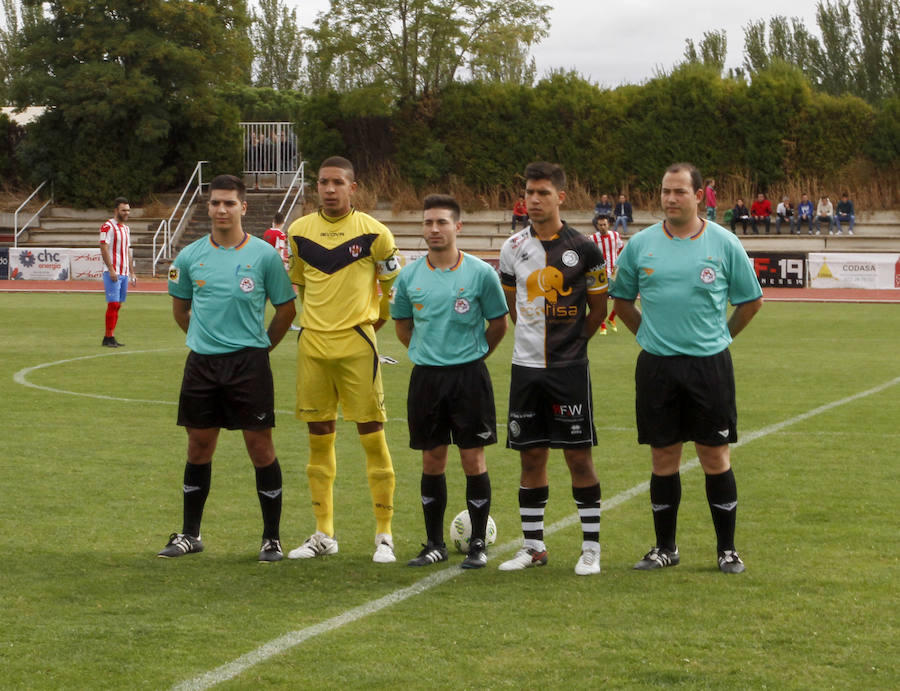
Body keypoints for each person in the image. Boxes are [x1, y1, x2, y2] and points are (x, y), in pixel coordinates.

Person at [610, 162, 763, 575]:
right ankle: (665, 548)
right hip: (657, 367)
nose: (671, 199)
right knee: (663, 458)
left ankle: (727, 549)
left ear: (699, 196)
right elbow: (621, 300)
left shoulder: (724, 243)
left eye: (679, 191)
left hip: (708, 367)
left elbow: (751, 301)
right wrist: (646, 336)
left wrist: (723, 338)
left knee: (715, 456)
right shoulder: (640, 245)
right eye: (665, 191)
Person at [158, 174, 297, 561]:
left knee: (260, 447)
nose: (222, 209)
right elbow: (181, 311)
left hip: (249, 365)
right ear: (209, 207)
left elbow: (287, 307)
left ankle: (271, 538)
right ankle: (190, 534)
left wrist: (263, 346)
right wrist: (207, 339)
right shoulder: (189, 256)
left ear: (243, 208)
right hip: (202, 365)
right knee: (199, 446)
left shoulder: (265, 256)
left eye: (229, 203)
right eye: (216, 203)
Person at [286, 156, 401, 564]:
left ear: (353, 187)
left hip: (357, 343)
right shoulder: (298, 232)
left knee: (372, 433)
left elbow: (393, 290)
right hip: (313, 345)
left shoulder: (375, 233)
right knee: (319, 435)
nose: (329, 189)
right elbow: (298, 285)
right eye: (323, 182)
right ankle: (323, 533)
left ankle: (384, 534)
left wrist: (368, 327)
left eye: (337, 183)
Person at [497, 162, 608, 576]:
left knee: (579, 458)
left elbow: (598, 308)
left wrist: (575, 343)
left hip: (569, 369)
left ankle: (591, 549)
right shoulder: (512, 248)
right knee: (531, 458)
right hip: (525, 369)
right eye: (529, 193)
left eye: (543, 193)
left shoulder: (586, 247)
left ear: (561, 197)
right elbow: (512, 305)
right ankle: (533, 547)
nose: (535, 200)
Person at [391, 194, 508, 569]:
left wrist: (471, 357)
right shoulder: (409, 276)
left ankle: (477, 544)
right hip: (426, 378)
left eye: (441, 222)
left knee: (473, 459)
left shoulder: (480, 273)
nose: (434, 229)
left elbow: (498, 324)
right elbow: (403, 327)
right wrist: (431, 354)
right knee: (432, 459)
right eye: (428, 222)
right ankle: (434, 543)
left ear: (458, 227)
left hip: (469, 377)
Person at [99, 197, 135, 347]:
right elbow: (103, 247)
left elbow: (127, 250)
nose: (126, 213)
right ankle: (108, 337)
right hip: (112, 272)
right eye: (123, 210)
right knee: (113, 304)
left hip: (124, 272)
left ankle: (111, 336)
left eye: (128, 210)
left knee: (118, 305)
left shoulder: (126, 229)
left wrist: (132, 272)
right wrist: (111, 269)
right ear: (116, 210)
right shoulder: (107, 226)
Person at [588, 214, 623, 335]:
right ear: (597, 226)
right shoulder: (593, 239)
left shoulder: (615, 235)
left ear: (609, 224)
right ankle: (603, 325)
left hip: (614, 270)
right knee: (601, 300)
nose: (602, 227)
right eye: (600, 225)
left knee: (621, 297)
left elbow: (620, 249)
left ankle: (612, 318)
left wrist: (618, 263)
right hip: (600, 272)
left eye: (604, 224)